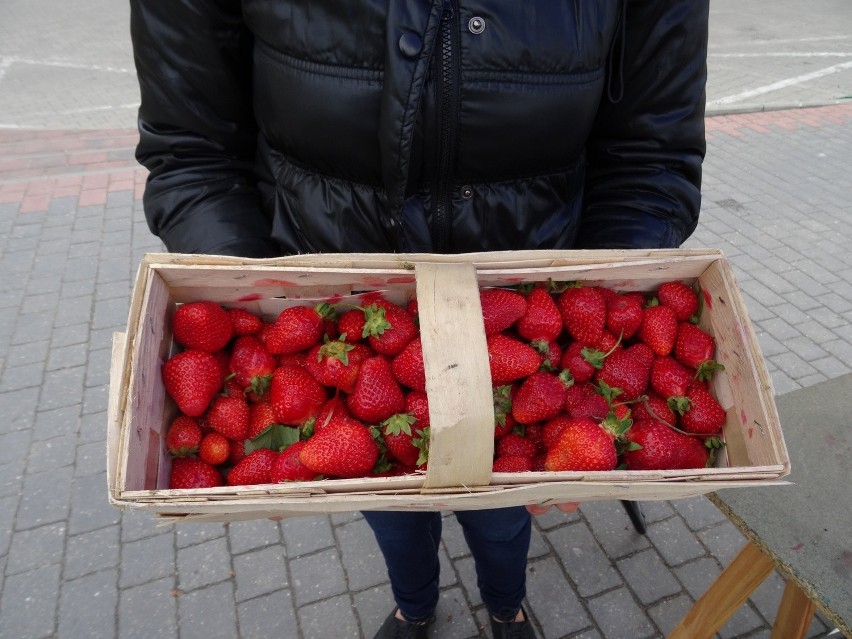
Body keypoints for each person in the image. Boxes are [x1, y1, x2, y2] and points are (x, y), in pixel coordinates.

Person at [129, 2, 709, 637]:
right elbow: (193, 148)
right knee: (389, 498)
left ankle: (505, 604)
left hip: (512, 334)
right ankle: (416, 603)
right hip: (341, 336)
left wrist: (594, 326)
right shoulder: (337, 382)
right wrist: (255, 317)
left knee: (501, 506)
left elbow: (649, 156)